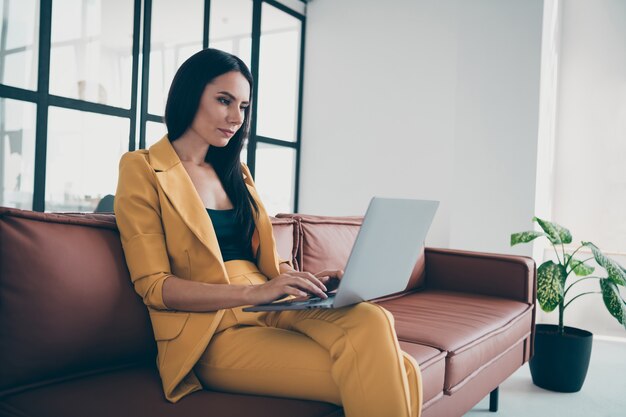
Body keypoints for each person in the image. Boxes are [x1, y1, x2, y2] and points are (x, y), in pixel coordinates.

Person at [114, 48, 422, 417]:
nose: (235, 117)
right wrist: (255, 290)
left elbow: (267, 263)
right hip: (209, 331)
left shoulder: (237, 173)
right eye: (224, 100)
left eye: (243, 106)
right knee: (401, 370)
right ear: (190, 94)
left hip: (271, 304)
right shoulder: (143, 168)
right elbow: (155, 287)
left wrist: (306, 281)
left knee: (373, 318)